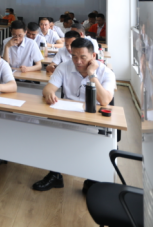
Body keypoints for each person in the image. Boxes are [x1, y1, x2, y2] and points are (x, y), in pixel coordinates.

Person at [33, 37, 115, 192]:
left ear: (93, 56)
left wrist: (92, 74)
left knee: (93, 147)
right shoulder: (64, 67)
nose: (78, 61)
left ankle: (93, 179)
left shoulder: (106, 72)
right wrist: (49, 94)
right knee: (52, 135)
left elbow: (105, 100)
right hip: (68, 115)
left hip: (93, 120)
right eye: (74, 56)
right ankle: (55, 174)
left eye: (83, 57)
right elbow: (48, 89)